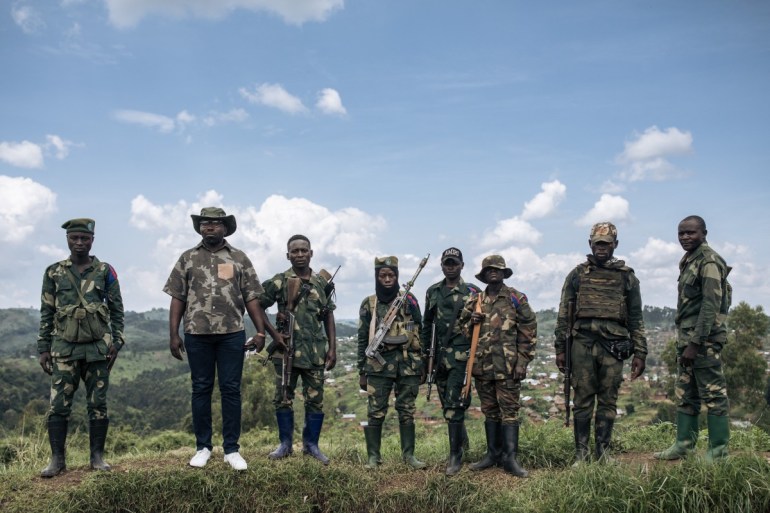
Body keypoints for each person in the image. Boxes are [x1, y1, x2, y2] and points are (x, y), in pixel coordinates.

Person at [164, 207, 273, 471]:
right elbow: (177, 296)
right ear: (200, 228)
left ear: (225, 228)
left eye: (215, 223)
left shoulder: (239, 258)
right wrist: (173, 334)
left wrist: (260, 332)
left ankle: (232, 450)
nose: (209, 227)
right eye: (205, 223)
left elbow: (252, 298)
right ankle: (203, 447)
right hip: (196, 333)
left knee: (231, 390)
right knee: (201, 388)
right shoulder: (187, 258)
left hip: (231, 334)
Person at [37, 218, 125, 478]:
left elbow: (117, 309)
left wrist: (116, 342)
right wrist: (43, 347)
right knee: (58, 406)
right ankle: (57, 460)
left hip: (97, 349)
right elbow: (47, 311)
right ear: (67, 239)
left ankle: (97, 457)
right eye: (74, 238)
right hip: (63, 348)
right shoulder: (54, 272)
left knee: (98, 404)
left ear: (92, 240)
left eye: (84, 238)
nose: (79, 243)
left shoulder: (105, 271)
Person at [554, 222, 647, 464]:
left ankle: (603, 453)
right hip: (582, 343)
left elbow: (636, 316)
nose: (601, 248)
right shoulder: (577, 275)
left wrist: (640, 352)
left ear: (615, 244)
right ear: (590, 244)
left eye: (606, 243)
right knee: (582, 399)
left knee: (608, 400)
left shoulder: (627, 277)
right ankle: (581, 454)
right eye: (597, 243)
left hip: (614, 346)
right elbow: (564, 313)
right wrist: (560, 350)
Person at [655, 215, 731, 462]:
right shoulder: (689, 260)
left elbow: (711, 306)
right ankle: (683, 445)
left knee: (713, 394)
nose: (686, 237)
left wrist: (695, 343)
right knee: (686, 392)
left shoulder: (708, 261)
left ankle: (718, 453)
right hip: (687, 340)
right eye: (681, 234)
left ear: (704, 233)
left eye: (691, 233)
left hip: (703, 342)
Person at [259, 235, 337, 465]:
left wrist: (332, 348)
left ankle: (311, 445)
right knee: (283, 397)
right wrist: (274, 334)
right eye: (295, 251)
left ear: (311, 253)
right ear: (288, 255)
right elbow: (256, 305)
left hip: (314, 351)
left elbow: (328, 315)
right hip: (286, 350)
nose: (300, 254)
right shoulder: (279, 281)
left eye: (304, 250)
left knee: (316, 400)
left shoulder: (321, 283)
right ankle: (285, 445)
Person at [457, 255, 536, 477]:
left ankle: (510, 459)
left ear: (503, 273)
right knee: (490, 411)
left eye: (497, 269)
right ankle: (493, 455)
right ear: (483, 275)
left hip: (508, 367)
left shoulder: (515, 298)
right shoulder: (474, 301)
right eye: (489, 270)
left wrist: (523, 361)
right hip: (482, 367)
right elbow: (462, 328)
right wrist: (470, 322)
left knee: (509, 412)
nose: (493, 272)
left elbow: (529, 329)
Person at [358, 256, 426, 470]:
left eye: (392, 275)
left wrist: (421, 361)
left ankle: (409, 457)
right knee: (375, 411)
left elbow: (419, 329)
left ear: (397, 276)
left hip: (408, 365)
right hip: (378, 367)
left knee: (406, 409)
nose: (387, 279)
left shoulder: (410, 300)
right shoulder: (369, 304)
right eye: (383, 275)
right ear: (376, 277)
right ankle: (373, 458)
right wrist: (362, 371)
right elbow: (362, 338)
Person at [420, 247, 480, 476]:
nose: (451, 266)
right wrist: (426, 357)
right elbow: (427, 325)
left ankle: (455, 456)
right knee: (447, 405)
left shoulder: (473, 292)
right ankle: (463, 444)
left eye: (455, 263)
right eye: (447, 263)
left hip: (461, 357)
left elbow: (480, 327)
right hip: (439, 358)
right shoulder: (433, 291)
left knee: (455, 406)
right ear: (442, 265)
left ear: (462, 265)